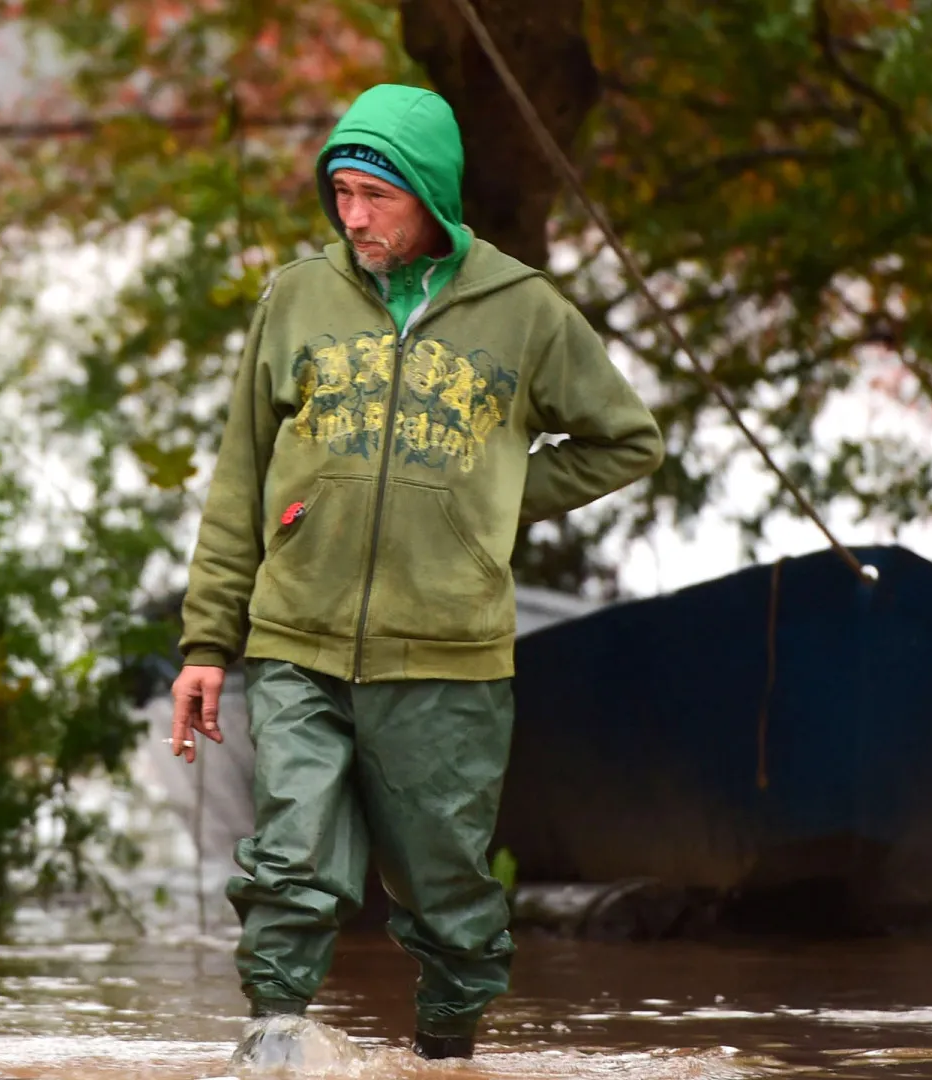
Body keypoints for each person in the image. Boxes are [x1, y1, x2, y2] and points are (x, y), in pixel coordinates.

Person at [169, 82, 664, 1061]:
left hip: (447, 659)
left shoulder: (524, 310)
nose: (352, 217)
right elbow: (240, 479)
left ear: (432, 195)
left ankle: (448, 1057)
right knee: (289, 864)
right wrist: (206, 644)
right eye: (341, 193)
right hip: (298, 640)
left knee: (449, 901)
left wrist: (493, 496)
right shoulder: (296, 299)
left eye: (376, 197)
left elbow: (628, 440)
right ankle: (272, 1047)